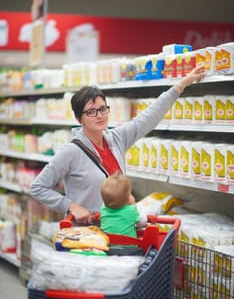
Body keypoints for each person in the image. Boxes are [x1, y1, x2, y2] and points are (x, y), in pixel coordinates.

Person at [30, 65, 205, 224]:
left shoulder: (116, 139)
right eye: (91, 112)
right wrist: (70, 206)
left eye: (103, 109)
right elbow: (38, 187)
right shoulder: (71, 152)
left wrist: (180, 86)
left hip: (117, 228)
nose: (99, 115)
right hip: (87, 233)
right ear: (79, 118)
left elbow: (148, 118)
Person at [100, 171, 147, 237]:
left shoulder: (103, 209)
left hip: (108, 245)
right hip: (128, 246)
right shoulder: (131, 211)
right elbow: (143, 221)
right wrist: (134, 205)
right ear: (128, 198)